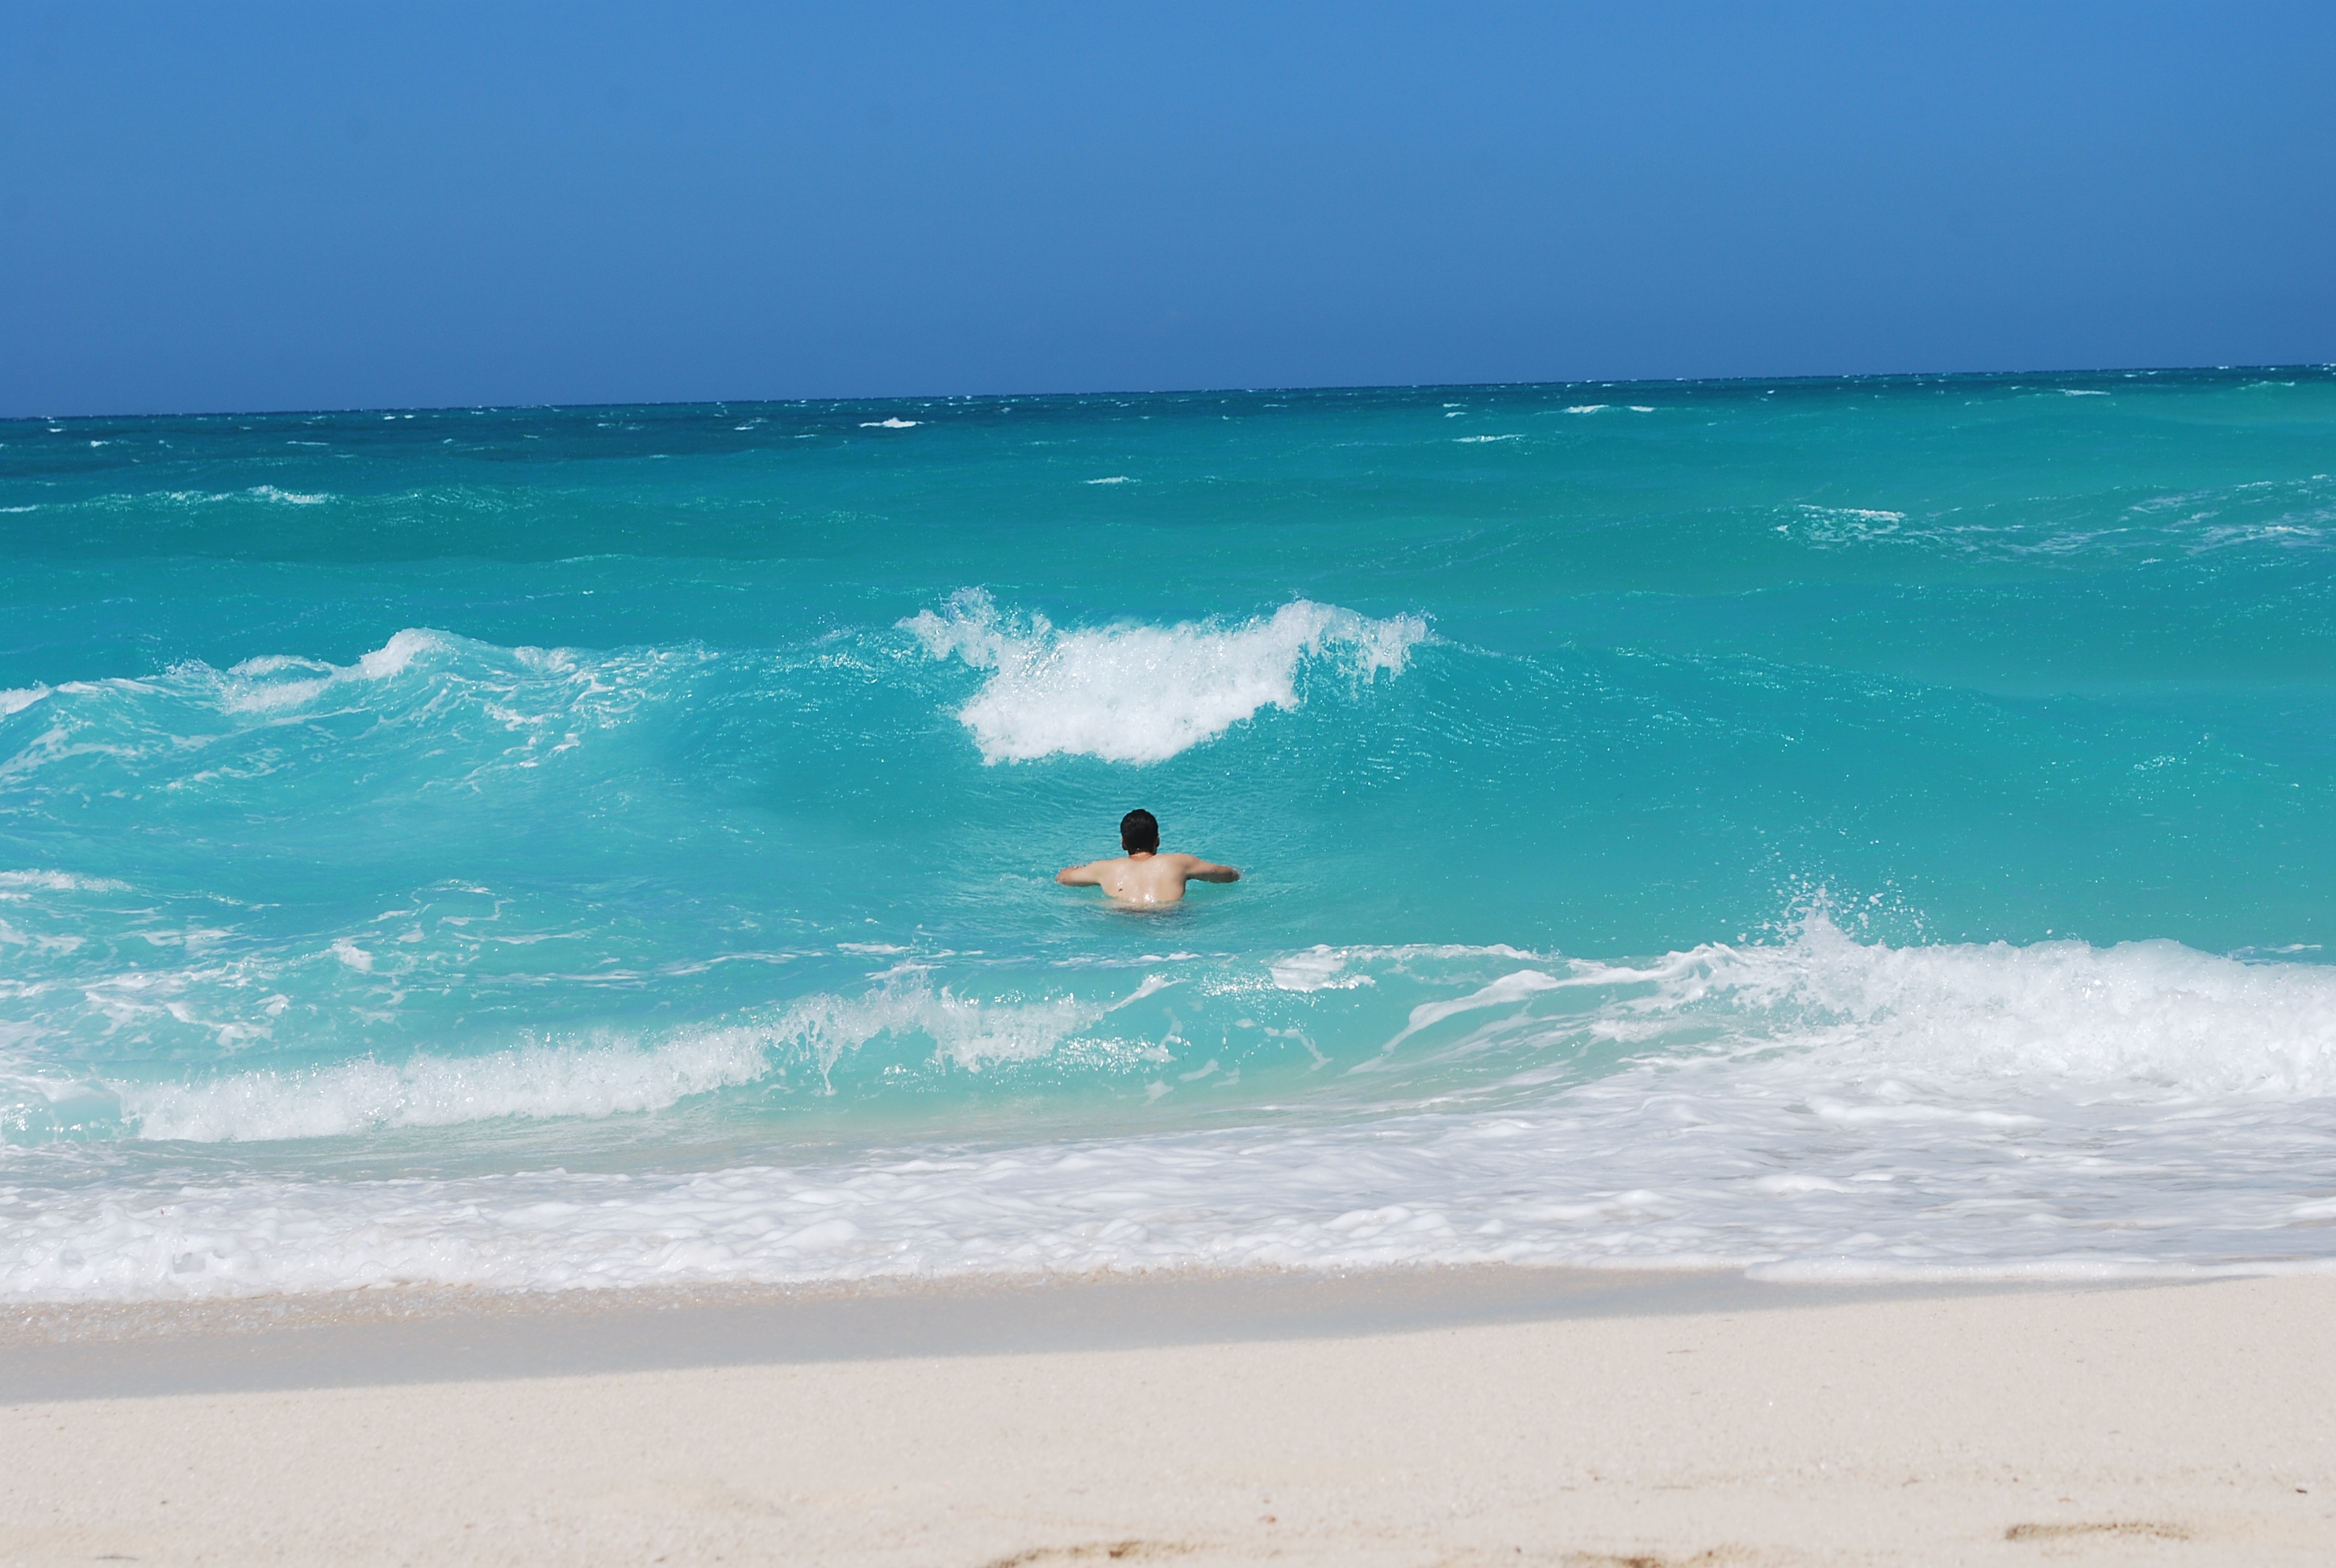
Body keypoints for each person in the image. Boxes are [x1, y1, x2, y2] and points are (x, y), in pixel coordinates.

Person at [1055, 809, 1240, 907]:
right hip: (1169, 919)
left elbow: (1063, 878)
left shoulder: (1105, 868)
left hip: (1123, 918)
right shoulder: (1178, 862)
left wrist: (1077, 868)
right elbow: (1228, 875)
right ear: (1157, 841)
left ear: (1123, 844)